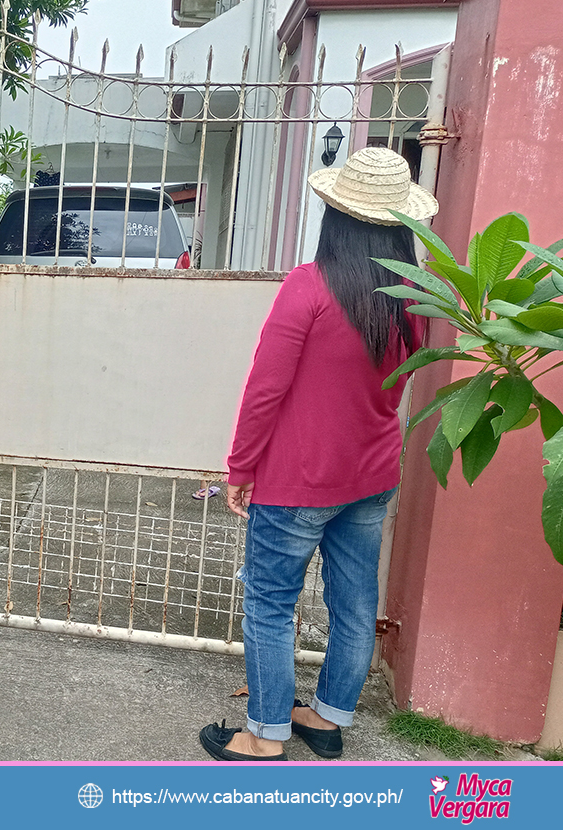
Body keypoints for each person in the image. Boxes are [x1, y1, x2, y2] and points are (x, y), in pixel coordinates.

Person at [200, 146, 439, 761]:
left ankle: (265, 733)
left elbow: (266, 388)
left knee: (272, 602)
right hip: (372, 474)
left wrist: (241, 467)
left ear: (336, 216)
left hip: (299, 480)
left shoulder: (308, 288)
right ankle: (328, 717)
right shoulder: (417, 297)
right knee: (356, 600)